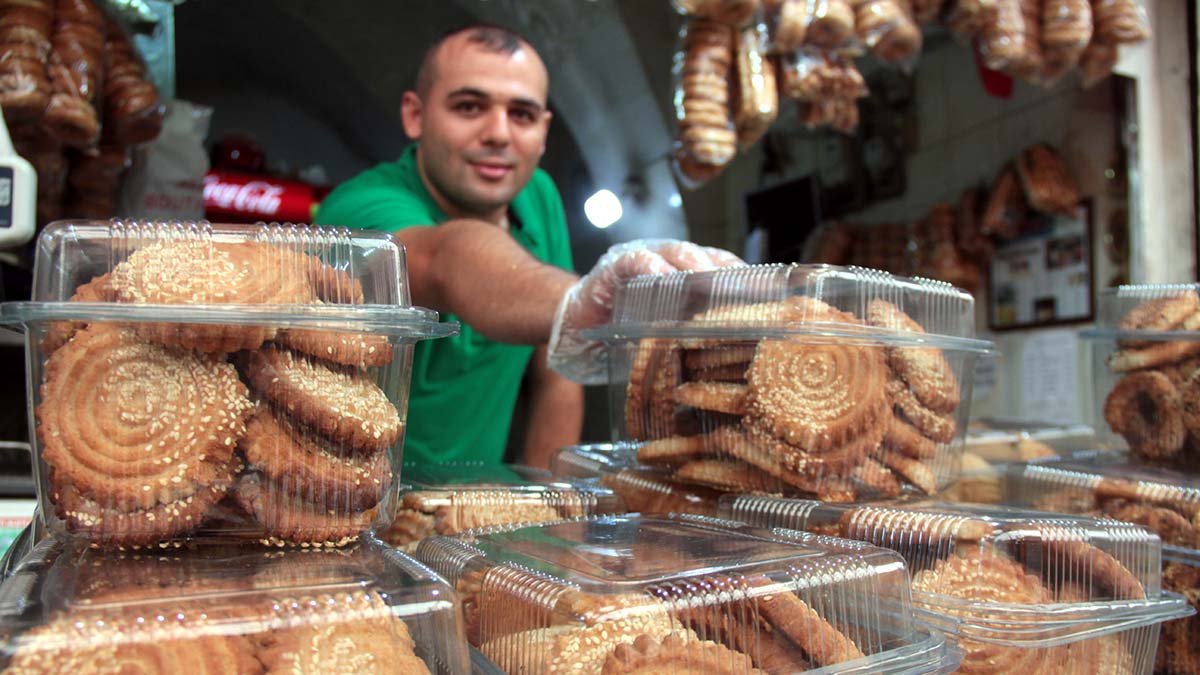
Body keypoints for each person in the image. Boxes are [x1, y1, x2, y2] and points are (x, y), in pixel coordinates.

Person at [316, 24, 740, 468]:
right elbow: (443, 261)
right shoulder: (360, 207)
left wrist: (547, 497)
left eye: (522, 114)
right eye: (469, 107)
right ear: (415, 115)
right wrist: (582, 299)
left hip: (469, 502)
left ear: (544, 129)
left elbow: (556, 369)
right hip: (352, 495)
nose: (499, 133)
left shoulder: (537, 194)